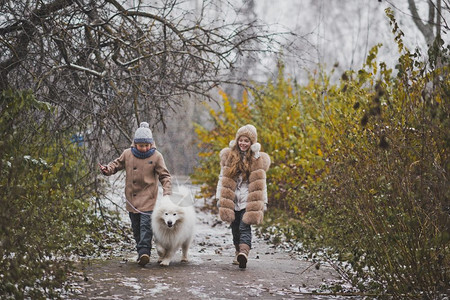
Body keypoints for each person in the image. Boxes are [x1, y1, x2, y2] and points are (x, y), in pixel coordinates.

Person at [99, 122, 172, 267]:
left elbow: (165, 176)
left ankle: (145, 252)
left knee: (146, 226)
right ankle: (141, 251)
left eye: (147, 145)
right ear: (135, 143)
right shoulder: (128, 154)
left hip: (148, 198)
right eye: (141, 145)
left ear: (151, 144)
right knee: (136, 227)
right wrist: (107, 169)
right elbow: (116, 164)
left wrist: (167, 192)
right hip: (132, 199)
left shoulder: (157, 156)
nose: (144, 148)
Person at [216, 124, 271, 269]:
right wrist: (218, 198)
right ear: (237, 140)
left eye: (247, 141)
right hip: (232, 200)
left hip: (248, 201)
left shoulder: (257, 159)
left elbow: (261, 183)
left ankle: (244, 253)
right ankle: (237, 251)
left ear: (252, 143)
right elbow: (222, 179)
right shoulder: (229, 157)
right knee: (235, 228)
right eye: (241, 140)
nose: (243, 143)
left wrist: (263, 202)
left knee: (244, 227)